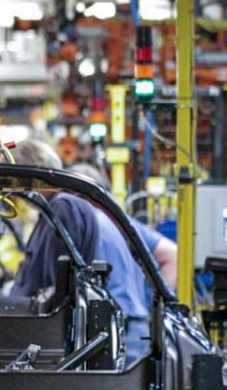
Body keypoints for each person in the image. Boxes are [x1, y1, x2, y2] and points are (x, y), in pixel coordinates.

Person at [11, 140, 154, 361]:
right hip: (122, 326)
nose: (12, 190)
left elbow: (58, 288)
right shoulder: (88, 215)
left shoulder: (65, 208)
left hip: (117, 330)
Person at [67, 162, 179, 290]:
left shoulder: (78, 224)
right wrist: (159, 298)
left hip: (101, 302)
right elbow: (171, 254)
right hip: (135, 304)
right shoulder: (124, 223)